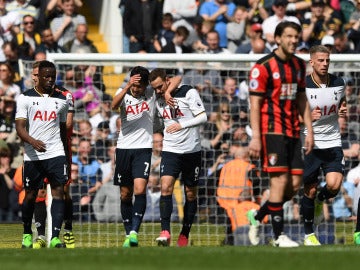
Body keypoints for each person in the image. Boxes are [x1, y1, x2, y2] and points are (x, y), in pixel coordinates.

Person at [247, 21, 314, 247]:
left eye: (296, 36)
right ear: (277, 39)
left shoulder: (299, 65)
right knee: (279, 180)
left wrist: (309, 131)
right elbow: (254, 104)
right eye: (289, 36)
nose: (294, 40)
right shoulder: (263, 66)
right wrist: (256, 136)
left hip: (293, 131)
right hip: (271, 130)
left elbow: (302, 99)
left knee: (294, 184)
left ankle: (257, 216)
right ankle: (278, 236)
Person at [111, 66, 180, 248]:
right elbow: (113, 106)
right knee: (125, 194)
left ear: (145, 85)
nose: (136, 89)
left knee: (140, 190)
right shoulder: (124, 91)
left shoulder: (150, 92)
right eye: (134, 86)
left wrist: (168, 93)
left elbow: (177, 78)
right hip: (124, 148)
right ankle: (128, 234)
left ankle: (134, 232)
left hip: (143, 148)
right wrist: (127, 87)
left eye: (139, 86)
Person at [149, 68, 207, 247]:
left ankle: (185, 233)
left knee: (190, 193)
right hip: (170, 151)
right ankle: (165, 232)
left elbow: (203, 117)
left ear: (167, 81)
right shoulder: (158, 98)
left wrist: (182, 125)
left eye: (160, 87)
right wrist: (162, 94)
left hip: (191, 151)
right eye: (155, 88)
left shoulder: (189, 92)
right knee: (165, 187)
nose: (158, 90)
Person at [15, 60, 70, 248]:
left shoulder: (62, 100)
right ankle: (26, 233)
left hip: (56, 153)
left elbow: (62, 129)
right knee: (30, 195)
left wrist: (66, 155)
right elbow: (20, 128)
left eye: (53, 77)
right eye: (46, 76)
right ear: (37, 77)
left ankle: (55, 237)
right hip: (33, 155)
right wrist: (32, 141)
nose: (50, 80)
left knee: (58, 192)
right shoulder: (25, 98)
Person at [301, 45, 347, 246]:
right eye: (320, 60)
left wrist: (344, 107)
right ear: (312, 62)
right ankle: (308, 234)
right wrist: (307, 118)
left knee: (334, 185)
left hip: (333, 140)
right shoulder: (303, 85)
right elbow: (294, 113)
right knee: (308, 190)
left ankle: (322, 199)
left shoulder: (338, 82)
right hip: (310, 142)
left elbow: (341, 101)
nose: (325, 64)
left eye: (327, 60)